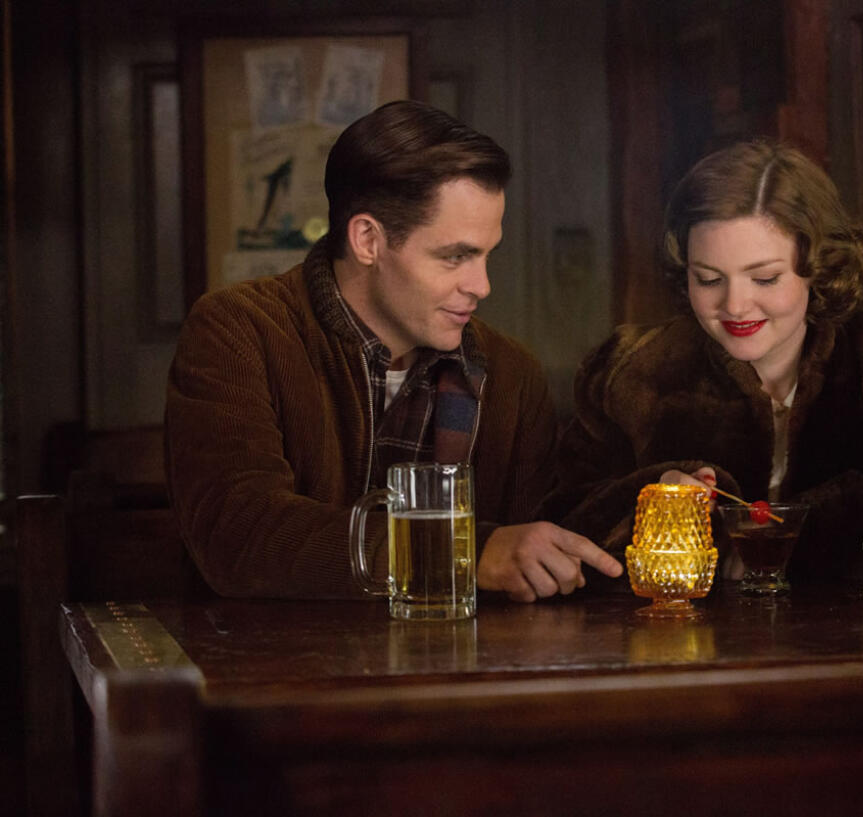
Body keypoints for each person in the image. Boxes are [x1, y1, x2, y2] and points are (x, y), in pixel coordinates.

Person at [166, 100, 621, 601]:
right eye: (455, 257)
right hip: (272, 671)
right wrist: (463, 551)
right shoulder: (240, 331)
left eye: (488, 255)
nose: (483, 285)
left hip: (456, 670)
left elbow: (538, 559)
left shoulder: (511, 375)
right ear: (368, 240)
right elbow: (238, 536)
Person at [539, 140, 863, 590]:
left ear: (820, 266)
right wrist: (652, 495)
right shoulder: (631, 371)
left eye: (765, 278)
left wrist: (782, 540)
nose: (735, 305)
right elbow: (562, 526)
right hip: (687, 662)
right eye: (708, 279)